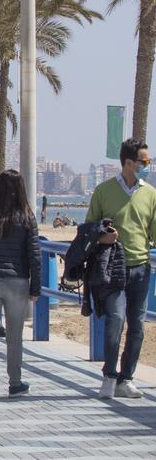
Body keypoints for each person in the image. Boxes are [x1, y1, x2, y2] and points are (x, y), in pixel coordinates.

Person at [86, 137, 156, 399]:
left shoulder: (150, 194)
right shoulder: (104, 191)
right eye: (145, 161)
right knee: (115, 320)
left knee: (137, 325)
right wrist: (102, 237)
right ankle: (108, 375)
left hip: (141, 267)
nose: (148, 165)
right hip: (112, 268)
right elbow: (88, 228)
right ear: (128, 163)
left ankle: (126, 379)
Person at [0, 170, 41, 403]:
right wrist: (36, 288)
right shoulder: (27, 216)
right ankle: (14, 384)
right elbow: (35, 255)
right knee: (14, 337)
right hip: (17, 282)